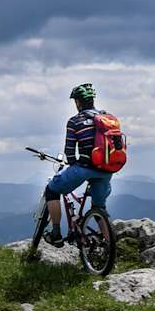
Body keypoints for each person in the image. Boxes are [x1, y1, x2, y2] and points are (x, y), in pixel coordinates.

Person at [43, 83, 113, 246]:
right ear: (92, 100)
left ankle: (56, 234)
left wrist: (75, 165)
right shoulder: (107, 118)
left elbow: (69, 151)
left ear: (78, 102)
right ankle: (109, 248)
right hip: (106, 170)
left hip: (83, 169)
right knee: (99, 208)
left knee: (51, 191)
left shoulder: (75, 121)